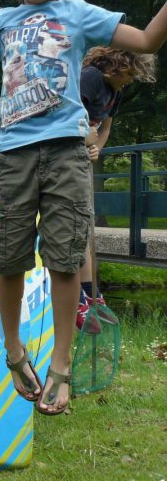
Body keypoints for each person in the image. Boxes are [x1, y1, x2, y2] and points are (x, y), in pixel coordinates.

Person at [0, 0, 167, 417]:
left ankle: (62, 368)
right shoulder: (2, 21)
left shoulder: (79, 14)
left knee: (66, 258)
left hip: (68, 150)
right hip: (12, 154)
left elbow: (149, 38)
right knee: (8, 256)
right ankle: (14, 351)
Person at [76, 47, 157, 331]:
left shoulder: (115, 93)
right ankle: (78, 298)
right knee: (74, 231)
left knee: (85, 231)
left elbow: (105, 126)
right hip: (65, 157)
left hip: (82, 157)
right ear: (116, 66)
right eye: (130, 74)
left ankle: (90, 293)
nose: (131, 80)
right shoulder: (90, 78)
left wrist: (96, 148)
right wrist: (83, 141)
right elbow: (68, 113)